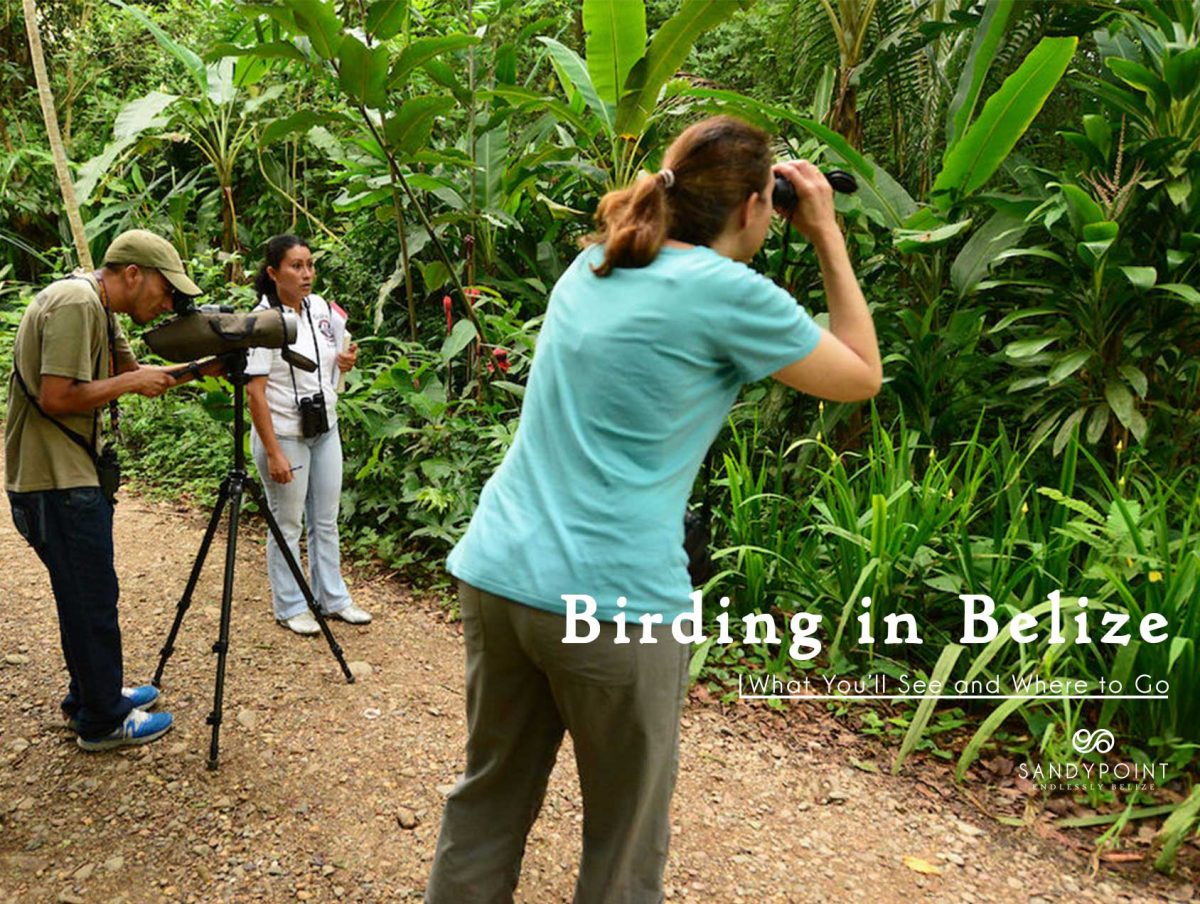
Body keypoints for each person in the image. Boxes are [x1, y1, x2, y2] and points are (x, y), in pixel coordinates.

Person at [425, 116, 882, 902]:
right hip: (611, 602)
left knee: (488, 800)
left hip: (499, 572)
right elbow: (861, 375)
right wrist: (826, 237)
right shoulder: (732, 295)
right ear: (753, 206)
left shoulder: (594, 264)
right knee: (625, 837)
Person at [6, 229, 223, 751]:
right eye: (165, 291)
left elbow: (139, 373)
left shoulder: (99, 307)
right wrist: (130, 384)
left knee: (85, 595)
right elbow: (58, 396)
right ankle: (103, 721)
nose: (167, 302)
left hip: (67, 477)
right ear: (132, 274)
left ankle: (92, 696)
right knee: (92, 598)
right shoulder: (76, 302)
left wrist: (206, 367)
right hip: (54, 480)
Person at [246, 234, 369, 635]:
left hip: (324, 425)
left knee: (326, 519)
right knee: (288, 523)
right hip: (284, 432)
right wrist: (274, 451)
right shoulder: (263, 320)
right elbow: (255, 392)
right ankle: (290, 605)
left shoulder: (318, 308)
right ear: (272, 272)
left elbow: (326, 360)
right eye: (296, 266)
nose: (306, 274)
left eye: (310, 265)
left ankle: (332, 598)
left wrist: (342, 360)